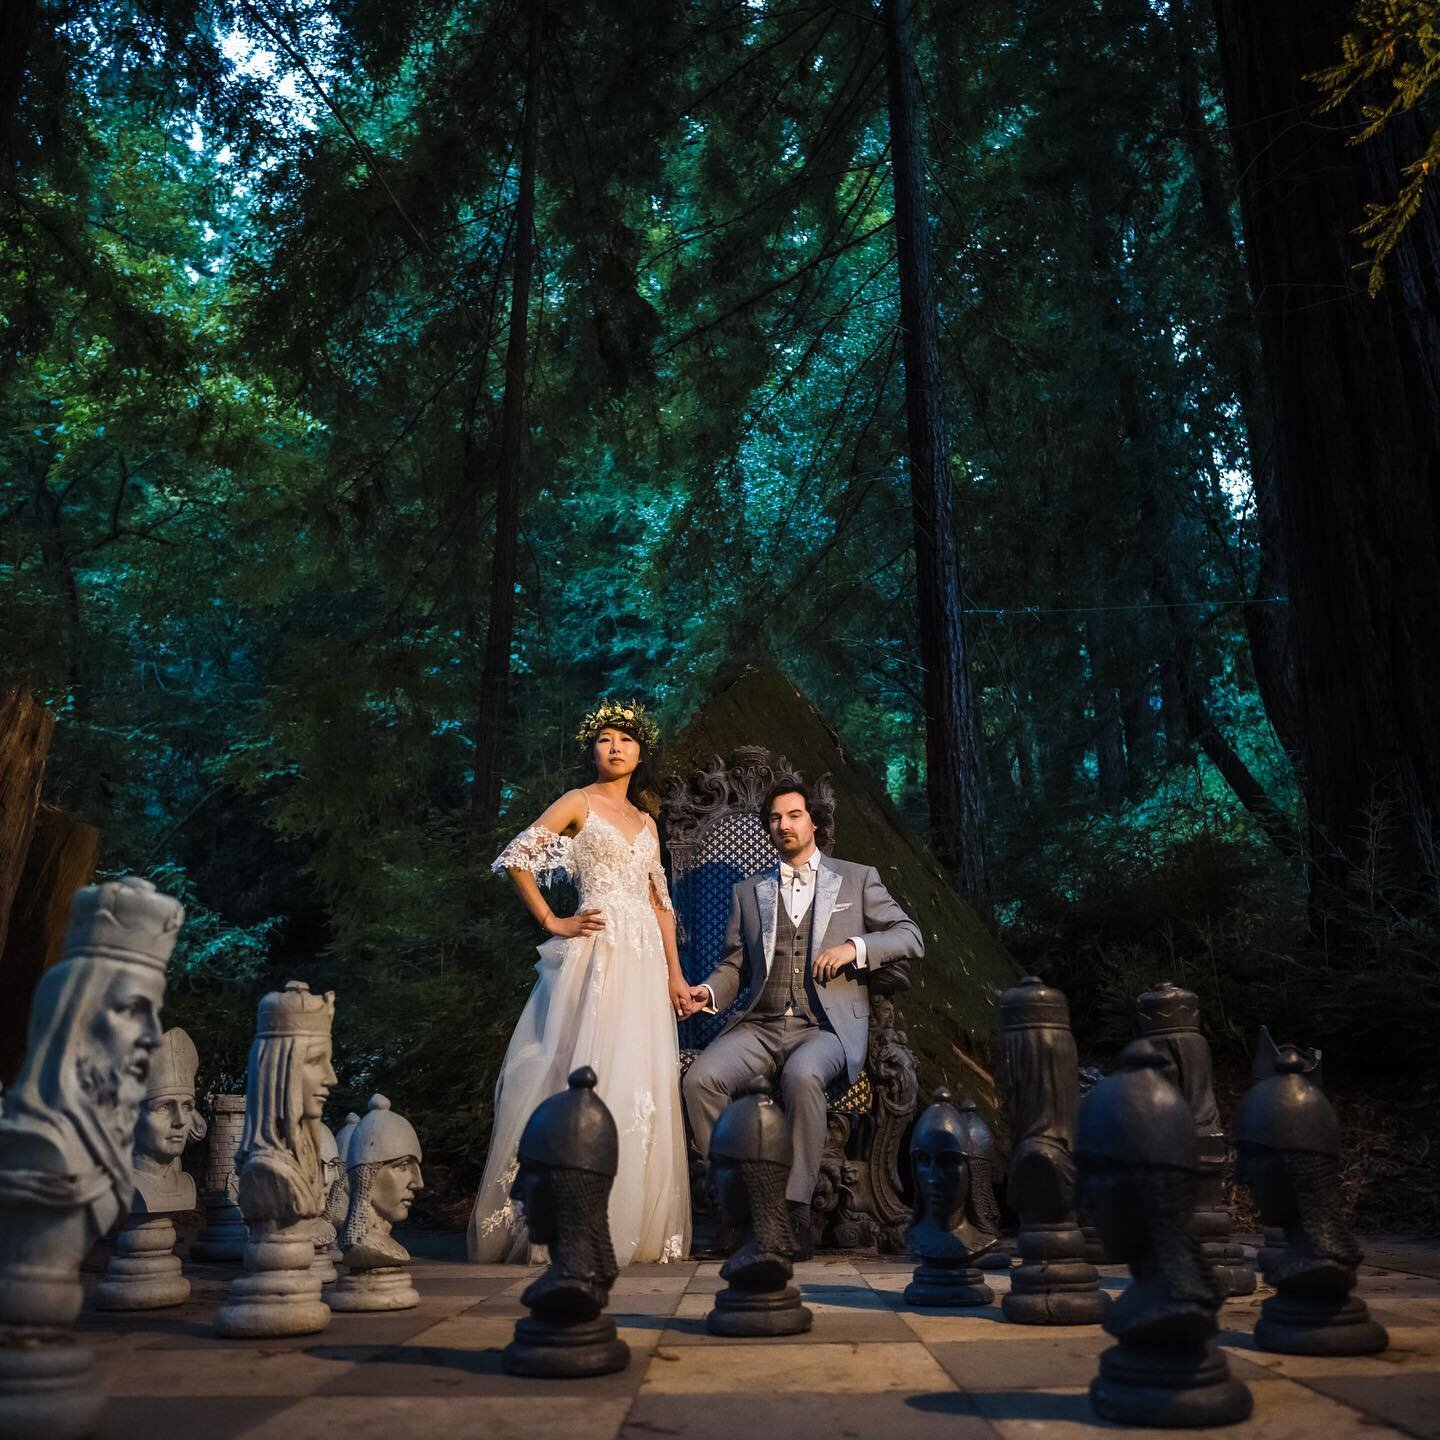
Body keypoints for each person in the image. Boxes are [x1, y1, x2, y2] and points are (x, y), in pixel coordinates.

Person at [467, 699, 691, 1265]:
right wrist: (553, 920)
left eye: (625, 739)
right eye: (604, 739)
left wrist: (675, 975)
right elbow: (517, 858)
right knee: (577, 1064)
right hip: (598, 954)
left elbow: (659, 903)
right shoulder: (577, 803)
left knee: (639, 1076)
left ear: (641, 753)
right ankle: (564, 1218)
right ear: (593, 750)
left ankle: (629, 1220)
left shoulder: (647, 823)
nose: (614, 747)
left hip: (643, 962)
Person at [680, 779, 923, 1257]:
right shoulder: (749, 892)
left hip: (825, 1027)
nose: (783, 825)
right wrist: (706, 991)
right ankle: (736, 1206)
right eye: (775, 818)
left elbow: (910, 936)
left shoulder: (856, 878)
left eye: (793, 815)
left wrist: (855, 948)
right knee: (700, 1081)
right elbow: (734, 966)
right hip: (761, 1023)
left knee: (803, 1075)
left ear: (813, 821)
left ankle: (794, 1211)